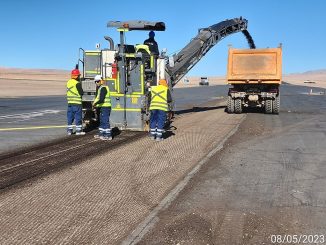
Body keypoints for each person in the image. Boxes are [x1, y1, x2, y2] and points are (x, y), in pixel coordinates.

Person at [92, 75, 112, 140]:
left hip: (105, 107)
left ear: (101, 81)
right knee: (102, 120)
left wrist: (95, 104)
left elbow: (101, 99)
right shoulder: (100, 88)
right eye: (95, 82)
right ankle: (101, 133)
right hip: (102, 107)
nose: (96, 83)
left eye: (97, 81)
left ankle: (108, 135)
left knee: (105, 121)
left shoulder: (103, 88)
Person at [66, 68, 85, 135]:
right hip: (77, 104)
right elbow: (81, 92)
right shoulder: (77, 83)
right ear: (77, 76)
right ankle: (78, 131)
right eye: (79, 76)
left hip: (70, 103)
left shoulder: (68, 82)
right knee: (78, 117)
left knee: (70, 117)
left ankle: (69, 131)